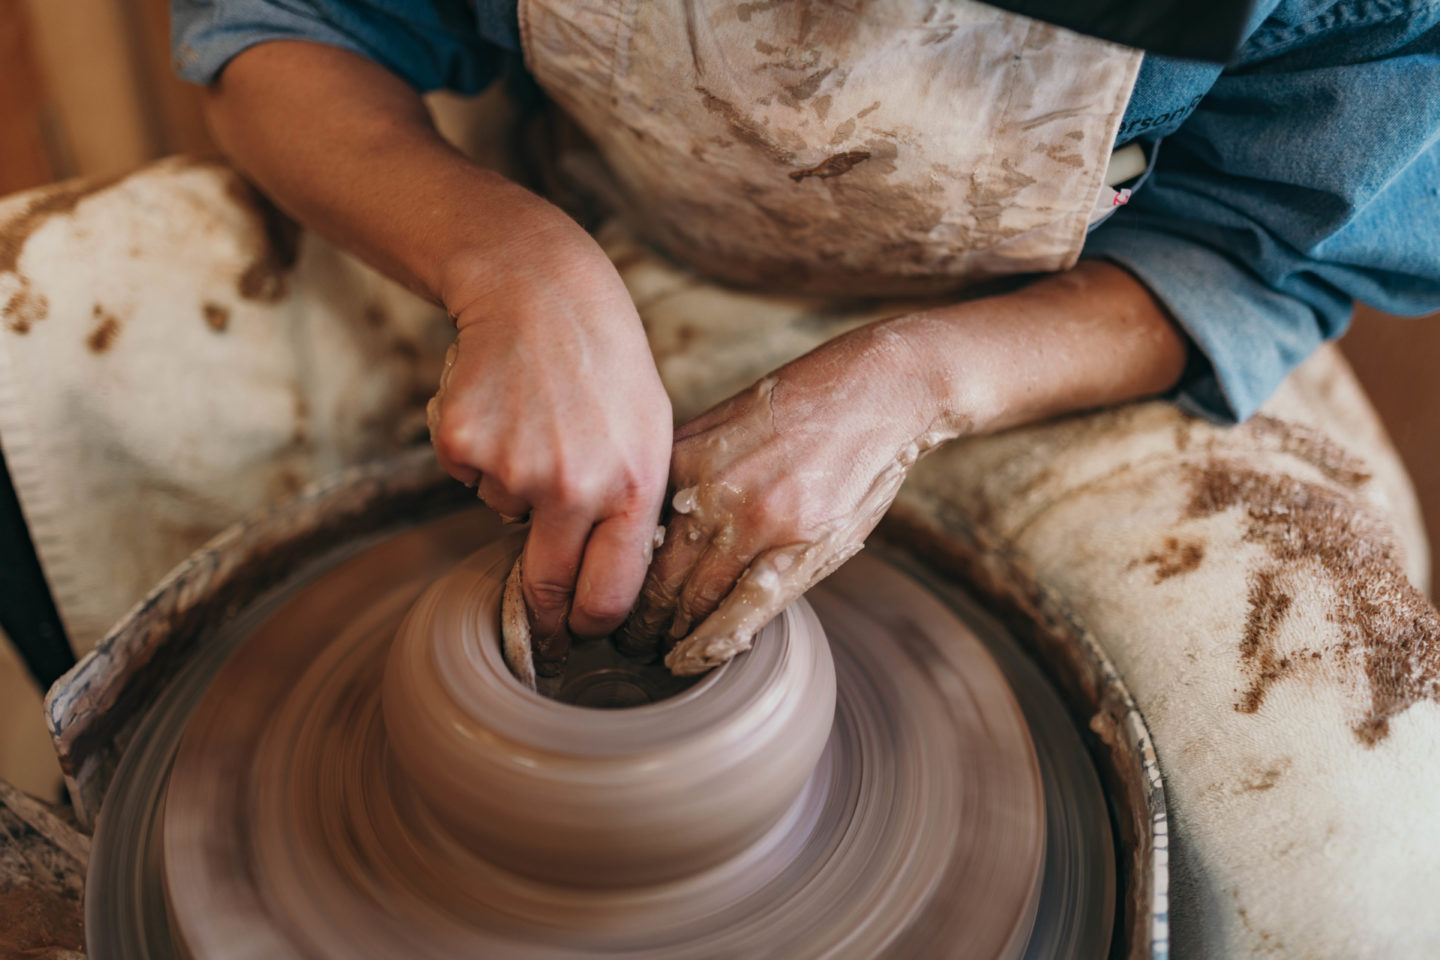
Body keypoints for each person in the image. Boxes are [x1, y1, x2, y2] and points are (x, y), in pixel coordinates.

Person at [170, 0, 1440, 676]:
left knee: (1324, 759)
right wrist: (512, 264)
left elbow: (1244, 247)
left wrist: (919, 381)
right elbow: (295, 24)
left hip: (1051, 337)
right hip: (581, 222)